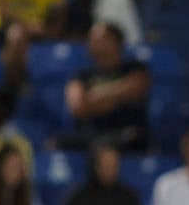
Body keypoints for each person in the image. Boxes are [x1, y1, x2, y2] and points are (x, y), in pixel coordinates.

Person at [62, 21, 151, 152]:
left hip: (127, 136)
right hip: (92, 138)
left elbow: (136, 87)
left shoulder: (135, 68)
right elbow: (78, 106)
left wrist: (93, 97)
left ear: (115, 42)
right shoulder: (81, 75)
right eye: (90, 39)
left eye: (98, 39)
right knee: (56, 144)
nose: (91, 43)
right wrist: (119, 95)